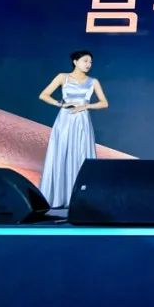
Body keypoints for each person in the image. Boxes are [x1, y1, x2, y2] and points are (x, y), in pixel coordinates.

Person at [37, 50, 109, 208]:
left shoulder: (93, 81)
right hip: (65, 120)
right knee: (61, 153)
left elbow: (104, 103)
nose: (88, 64)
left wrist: (86, 106)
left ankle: (81, 198)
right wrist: (60, 104)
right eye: (85, 61)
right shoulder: (62, 77)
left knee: (81, 154)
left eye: (90, 62)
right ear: (75, 62)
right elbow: (44, 95)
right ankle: (58, 197)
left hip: (82, 121)